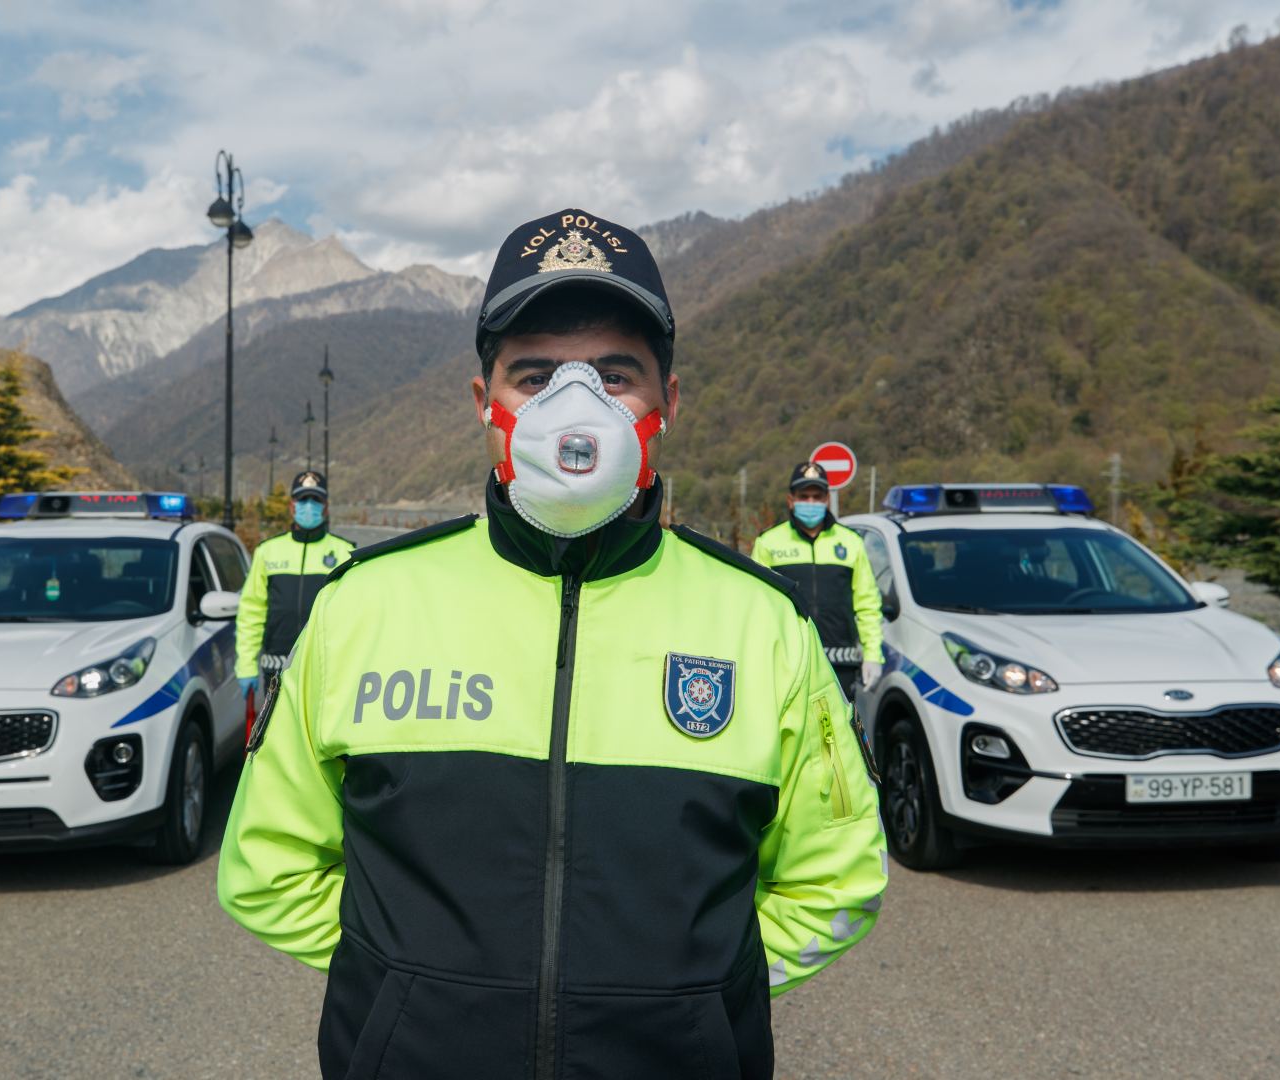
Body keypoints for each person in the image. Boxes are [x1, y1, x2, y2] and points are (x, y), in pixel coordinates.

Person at [218, 209, 885, 1079]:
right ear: (483, 405)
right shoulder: (364, 607)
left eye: (616, 375)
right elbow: (266, 865)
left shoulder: (762, 626)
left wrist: (697, 1000)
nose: (578, 408)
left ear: (669, 403)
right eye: (535, 376)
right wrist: (403, 986)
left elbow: (840, 878)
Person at [752, 463, 886, 701]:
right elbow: (757, 605)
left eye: (817, 497)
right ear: (791, 500)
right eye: (804, 497)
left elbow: (867, 604)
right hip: (788, 660)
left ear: (827, 500)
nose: (811, 502)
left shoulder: (851, 542)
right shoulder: (768, 543)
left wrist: (873, 654)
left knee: (838, 725)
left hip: (841, 662)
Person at [233, 469, 354, 702]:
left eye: (315, 500)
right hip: (276, 671)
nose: (309, 506)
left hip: (326, 670)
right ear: (292, 506)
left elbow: (353, 616)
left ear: (326, 507)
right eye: (303, 499)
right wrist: (246, 665)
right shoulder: (268, 551)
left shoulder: (345, 553)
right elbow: (251, 612)